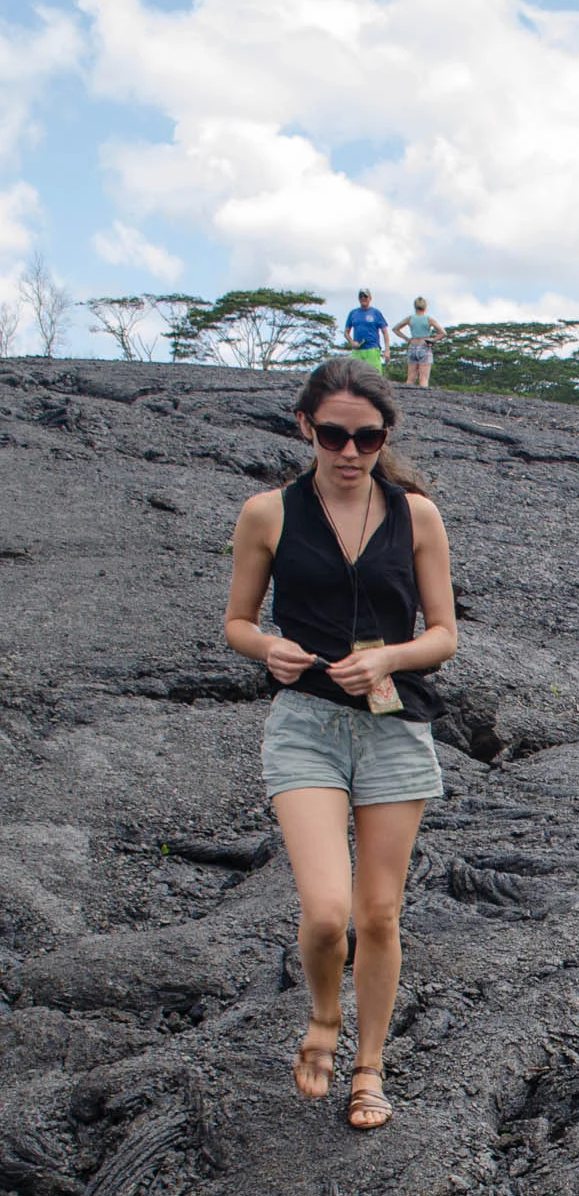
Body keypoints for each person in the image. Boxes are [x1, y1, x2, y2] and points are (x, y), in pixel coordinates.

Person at [222, 356, 456, 1130]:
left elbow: (444, 636)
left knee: (379, 914)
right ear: (305, 428)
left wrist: (389, 655)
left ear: (386, 435)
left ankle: (369, 1067)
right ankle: (324, 1016)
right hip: (308, 729)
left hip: (392, 727)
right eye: (333, 435)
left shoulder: (417, 515)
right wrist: (266, 648)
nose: (350, 453)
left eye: (366, 437)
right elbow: (237, 623)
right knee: (327, 915)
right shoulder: (268, 513)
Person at [398, 296, 446, 387]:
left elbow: (395, 329)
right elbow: (443, 333)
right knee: (423, 379)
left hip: (412, 346)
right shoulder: (428, 319)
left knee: (410, 378)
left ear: (415, 306)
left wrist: (407, 339)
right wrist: (432, 339)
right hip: (424, 346)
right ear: (425, 307)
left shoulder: (410, 318)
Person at [344, 289, 388, 366]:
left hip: (372, 349)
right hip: (357, 351)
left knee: (373, 374)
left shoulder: (375, 313)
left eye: (365, 296)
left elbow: (385, 332)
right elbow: (346, 332)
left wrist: (387, 350)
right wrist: (352, 342)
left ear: (370, 298)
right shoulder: (353, 313)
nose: (363, 298)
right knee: (355, 375)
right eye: (361, 296)